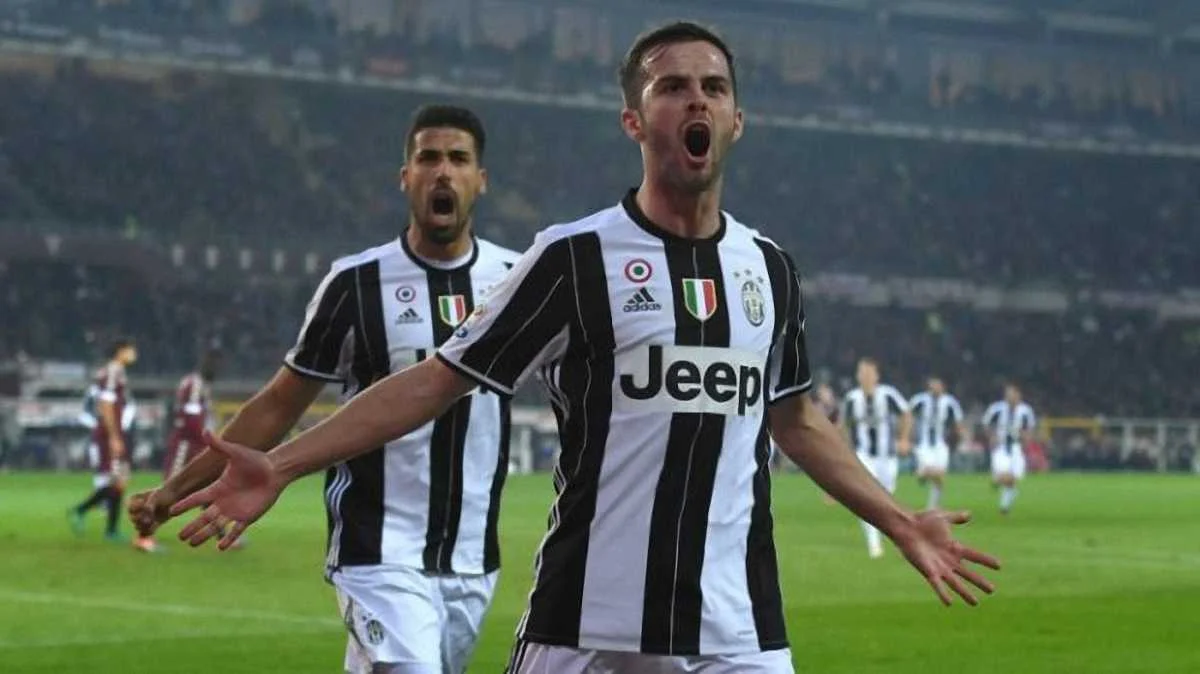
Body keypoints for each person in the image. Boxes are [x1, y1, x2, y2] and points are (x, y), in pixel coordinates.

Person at [170, 23, 1000, 674]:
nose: (697, 100)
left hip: (739, 628)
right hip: (587, 625)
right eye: (672, 87)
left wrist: (898, 521)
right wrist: (282, 464)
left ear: (737, 121)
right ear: (635, 120)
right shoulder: (572, 259)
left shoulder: (770, 270)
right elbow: (435, 380)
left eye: (714, 88)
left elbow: (797, 420)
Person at [129, 105, 520, 673]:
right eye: (428, 158)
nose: (443, 171)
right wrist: (173, 491)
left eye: (458, 159)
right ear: (405, 176)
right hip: (376, 549)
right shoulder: (355, 283)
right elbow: (280, 403)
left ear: (480, 180)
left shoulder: (515, 281)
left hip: (472, 558)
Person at [133, 348, 224, 553]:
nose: (218, 370)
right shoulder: (195, 385)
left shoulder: (199, 384)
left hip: (196, 444)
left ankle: (221, 535)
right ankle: (143, 536)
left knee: (207, 485)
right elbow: (192, 420)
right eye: (216, 366)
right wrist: (207, 439)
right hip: (186, 445)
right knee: (169, 490)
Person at [840, 358, 912, 558]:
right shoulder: (852, 399)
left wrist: (904, 439)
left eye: (869, 373)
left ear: (876, 376)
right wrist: (846, 450)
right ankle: (874, 544)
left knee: (886, 498)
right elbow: (843, 425)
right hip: (864, 455)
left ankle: (889, 534)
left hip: (887, 456)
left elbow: (906, 414)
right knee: (867, 498)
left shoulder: (888, 395)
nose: (865, 376)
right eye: (862, 373)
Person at [69, 337, 137, 543]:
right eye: (131, 350)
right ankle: (83, 512)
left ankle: (108, 527)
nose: (134, 354)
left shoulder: (116, 371)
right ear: (121, 351)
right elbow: (105, 405)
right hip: (109, 433)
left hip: (113, 431)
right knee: (117, 480)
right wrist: (114, 436)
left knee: (120, 480)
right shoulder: (113, 371)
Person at [908, 376, 966, 510]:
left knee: (939, 477)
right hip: (924, 444)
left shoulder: (950, 403)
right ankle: (922, 474)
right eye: (932, 384)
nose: (934, 387)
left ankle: (932, 507)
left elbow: (958, 422)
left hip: (941, 444)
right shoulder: (920, 400)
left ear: (943, 386)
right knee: (932, 471)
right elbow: (908, 415)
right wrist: (908, 437)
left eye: (937, 385)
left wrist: (960, 437)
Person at [981, 383, 1037, 515]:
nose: (1010, 397)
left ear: (1018, 395)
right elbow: (986, 424)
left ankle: (1003, 503)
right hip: (1001, 447)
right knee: (1005, 475)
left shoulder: (1025, 411)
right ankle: (1004, 503)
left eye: (1013, 394)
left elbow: (1030, 429)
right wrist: (991, 436)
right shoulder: (997, 409)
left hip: (1016, 447)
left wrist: (1026, 438)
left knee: (1014, 479)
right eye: (1008, 394)